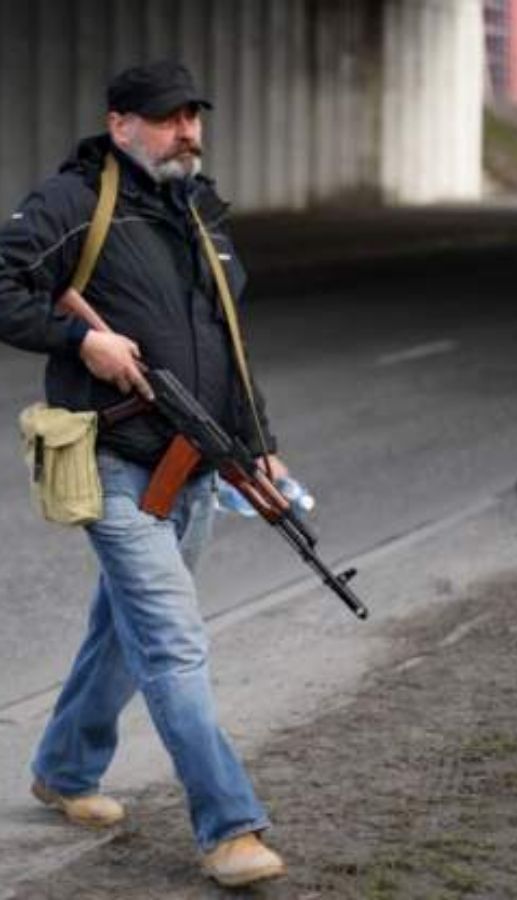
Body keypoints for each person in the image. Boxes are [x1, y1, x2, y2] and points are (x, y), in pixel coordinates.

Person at [0, 61, 287, 886]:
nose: (188, 131)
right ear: (121, 122)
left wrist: (257, 443)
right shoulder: (72, 204)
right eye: (169, 118)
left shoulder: (200, 210)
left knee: (123, 633)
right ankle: (231, 827)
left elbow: (229, 341)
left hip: (195, 465)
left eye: (194, 115)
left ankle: (64, 769)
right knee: (171, 641)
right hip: (112, 463)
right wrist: (78, 341)